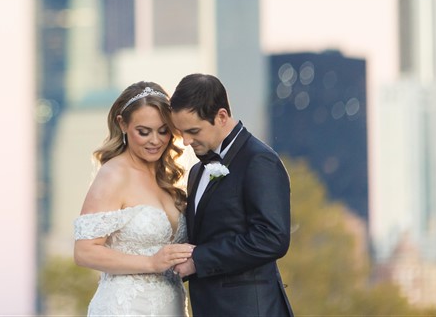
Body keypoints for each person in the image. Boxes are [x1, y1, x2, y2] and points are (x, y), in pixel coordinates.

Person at [168, 73, 294, 317]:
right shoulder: (196, 171)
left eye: (193, 130)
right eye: (181, 131)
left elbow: (272, 238)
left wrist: (198, 260)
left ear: (222, 116)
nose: (185, 141)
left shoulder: (259, 160)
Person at [73, 81, 193, 316]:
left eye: (163, 130)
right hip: (125, 308)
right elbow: (84, 251)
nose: (155, 141)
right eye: (144, 131)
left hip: (172, 305)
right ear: (123, 124)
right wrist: (151, 263)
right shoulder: (113, 175)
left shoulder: (168, 179)